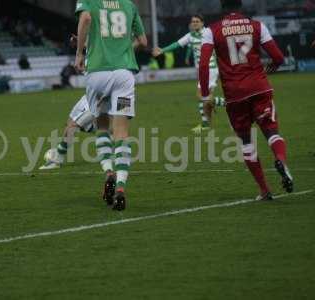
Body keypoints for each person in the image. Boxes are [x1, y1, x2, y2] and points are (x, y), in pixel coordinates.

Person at [199, 0, 293, 200]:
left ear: (222, 8)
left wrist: (207, 95)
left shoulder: (211, 30)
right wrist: (269, 69)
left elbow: (204, 65)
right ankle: (281, 160)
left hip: (234, 95)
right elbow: (278, 58)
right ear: (240, 6)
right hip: (259, 87)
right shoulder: (258, 26)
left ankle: (264, 190)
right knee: (271, 130)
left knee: (246, 141)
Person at [75, 0, 147, 210]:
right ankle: (122, 187)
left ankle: (109, 172)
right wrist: (124, 48)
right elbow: (142, 41)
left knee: (102, 126)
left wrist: (80, 53)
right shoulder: (129, 5)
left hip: (97, 73)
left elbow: (86, 18)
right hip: (124, 75)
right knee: (122, 132)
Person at [153, 15, 226, 134]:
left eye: (197, 21)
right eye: (193, 22)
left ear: (203, 23)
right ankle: (210, 121)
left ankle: (225, 108)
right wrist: (163, 50)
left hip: (210, 69)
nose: (195, 23)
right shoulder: (190, 36)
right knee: (206, 99)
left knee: (202, 96)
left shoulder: (208, 32)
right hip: (203, 71)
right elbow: (177, 44)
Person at [39, 95, 96, 170]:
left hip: (97, 99)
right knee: (69, 123)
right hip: (88, 96)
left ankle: (56, 160)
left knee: (72, 127)